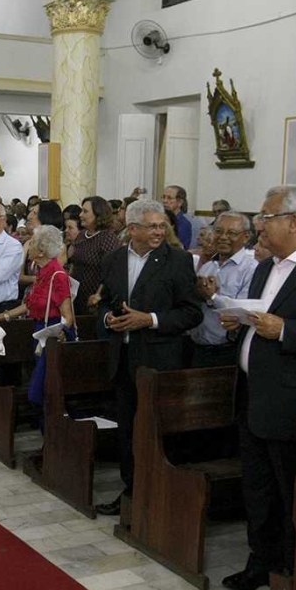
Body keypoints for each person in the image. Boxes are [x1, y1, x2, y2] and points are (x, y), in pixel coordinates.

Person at [219, 186, 296, 590]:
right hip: (252, 393)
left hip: (294, 402)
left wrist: (287, 330)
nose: (259, 225)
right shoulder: (266, 267)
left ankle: (291, 566)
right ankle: (260, 561)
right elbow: (261, 317)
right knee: (258, 488)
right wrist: (240, 320)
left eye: (267, 217)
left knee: (289, 492)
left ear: (294, 222)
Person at [95, 200, 202, 516]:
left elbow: (191, 313)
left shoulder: (178, 261)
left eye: (161, 226)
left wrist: (151, 319)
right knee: (127, 430)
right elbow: (105, 303)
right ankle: (131, 491)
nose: (159, 231)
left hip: (160, 361)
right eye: (152, 226)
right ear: (132, 229)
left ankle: (159, 494)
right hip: (123, 357)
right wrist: (107, 319)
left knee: (156, 431)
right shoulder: (114, 259)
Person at [0, 225, 75, 409]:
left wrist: (59, 333)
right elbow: (29, 305)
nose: (28, 245)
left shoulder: (58, 275)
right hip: (38, 331)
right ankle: (46, 431)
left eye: (32, 243)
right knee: (41, 389)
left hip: (50, 335)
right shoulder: (42, 272)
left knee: (39, 391)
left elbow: (68, 316)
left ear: (41, 252)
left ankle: (52, 432)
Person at [189, 212, 257, 368]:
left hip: (226, 351)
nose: (223, 237)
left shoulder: (251, 269)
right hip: (198, 347)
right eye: (218, 231)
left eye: (231, 233)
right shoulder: (208, 265)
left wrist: (212, 297)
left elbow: (243, 313)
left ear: (246, 237)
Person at [69, 196, 119, 314]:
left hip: (94, 297)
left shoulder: (107, 237)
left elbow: (111, 270)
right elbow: (75, 262)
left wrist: (98, 294)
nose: (80, 215)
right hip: (76, 294)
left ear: (98, 214)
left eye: (85, 211)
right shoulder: (82, 234)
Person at [162, 185, 193, 249]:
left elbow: (181, 247)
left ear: (179, 202)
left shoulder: (184, 224)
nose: (165, 201)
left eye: (169, 198)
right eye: (163, 197)